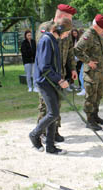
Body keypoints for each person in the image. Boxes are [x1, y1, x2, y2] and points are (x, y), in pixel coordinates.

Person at [29, 18, 72, 155]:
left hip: (51, 82)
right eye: (67, 33)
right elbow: (44, 67)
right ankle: (34, 135)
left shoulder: (53, 40)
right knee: (53, 113)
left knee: (54, 114)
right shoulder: (47, 40)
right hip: (44, 82)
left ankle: (50, 147)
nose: (67, 36)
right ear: (60, 30)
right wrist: (60, 80)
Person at [36, 4, 78, 143]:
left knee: (57, 105)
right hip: (48, 75)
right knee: (46, 106)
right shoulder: (46, 28)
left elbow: (70, 51)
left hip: (61, 74)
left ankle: (54, 131)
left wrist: (72, 69)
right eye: (68, 18)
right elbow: (42, 53)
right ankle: (41, 132)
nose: (70, 22)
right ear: (60, 16)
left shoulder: (66, 29)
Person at [74, 14, 103, 131]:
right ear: (96, 25)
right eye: (102, 28)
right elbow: (77, 50)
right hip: (91, 73)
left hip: (99, 71)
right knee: (91, 97)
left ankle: (95, 116)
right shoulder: (88, 35)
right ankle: (89, 120)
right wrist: (88, 61)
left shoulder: (97, 34)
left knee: (98, 96)